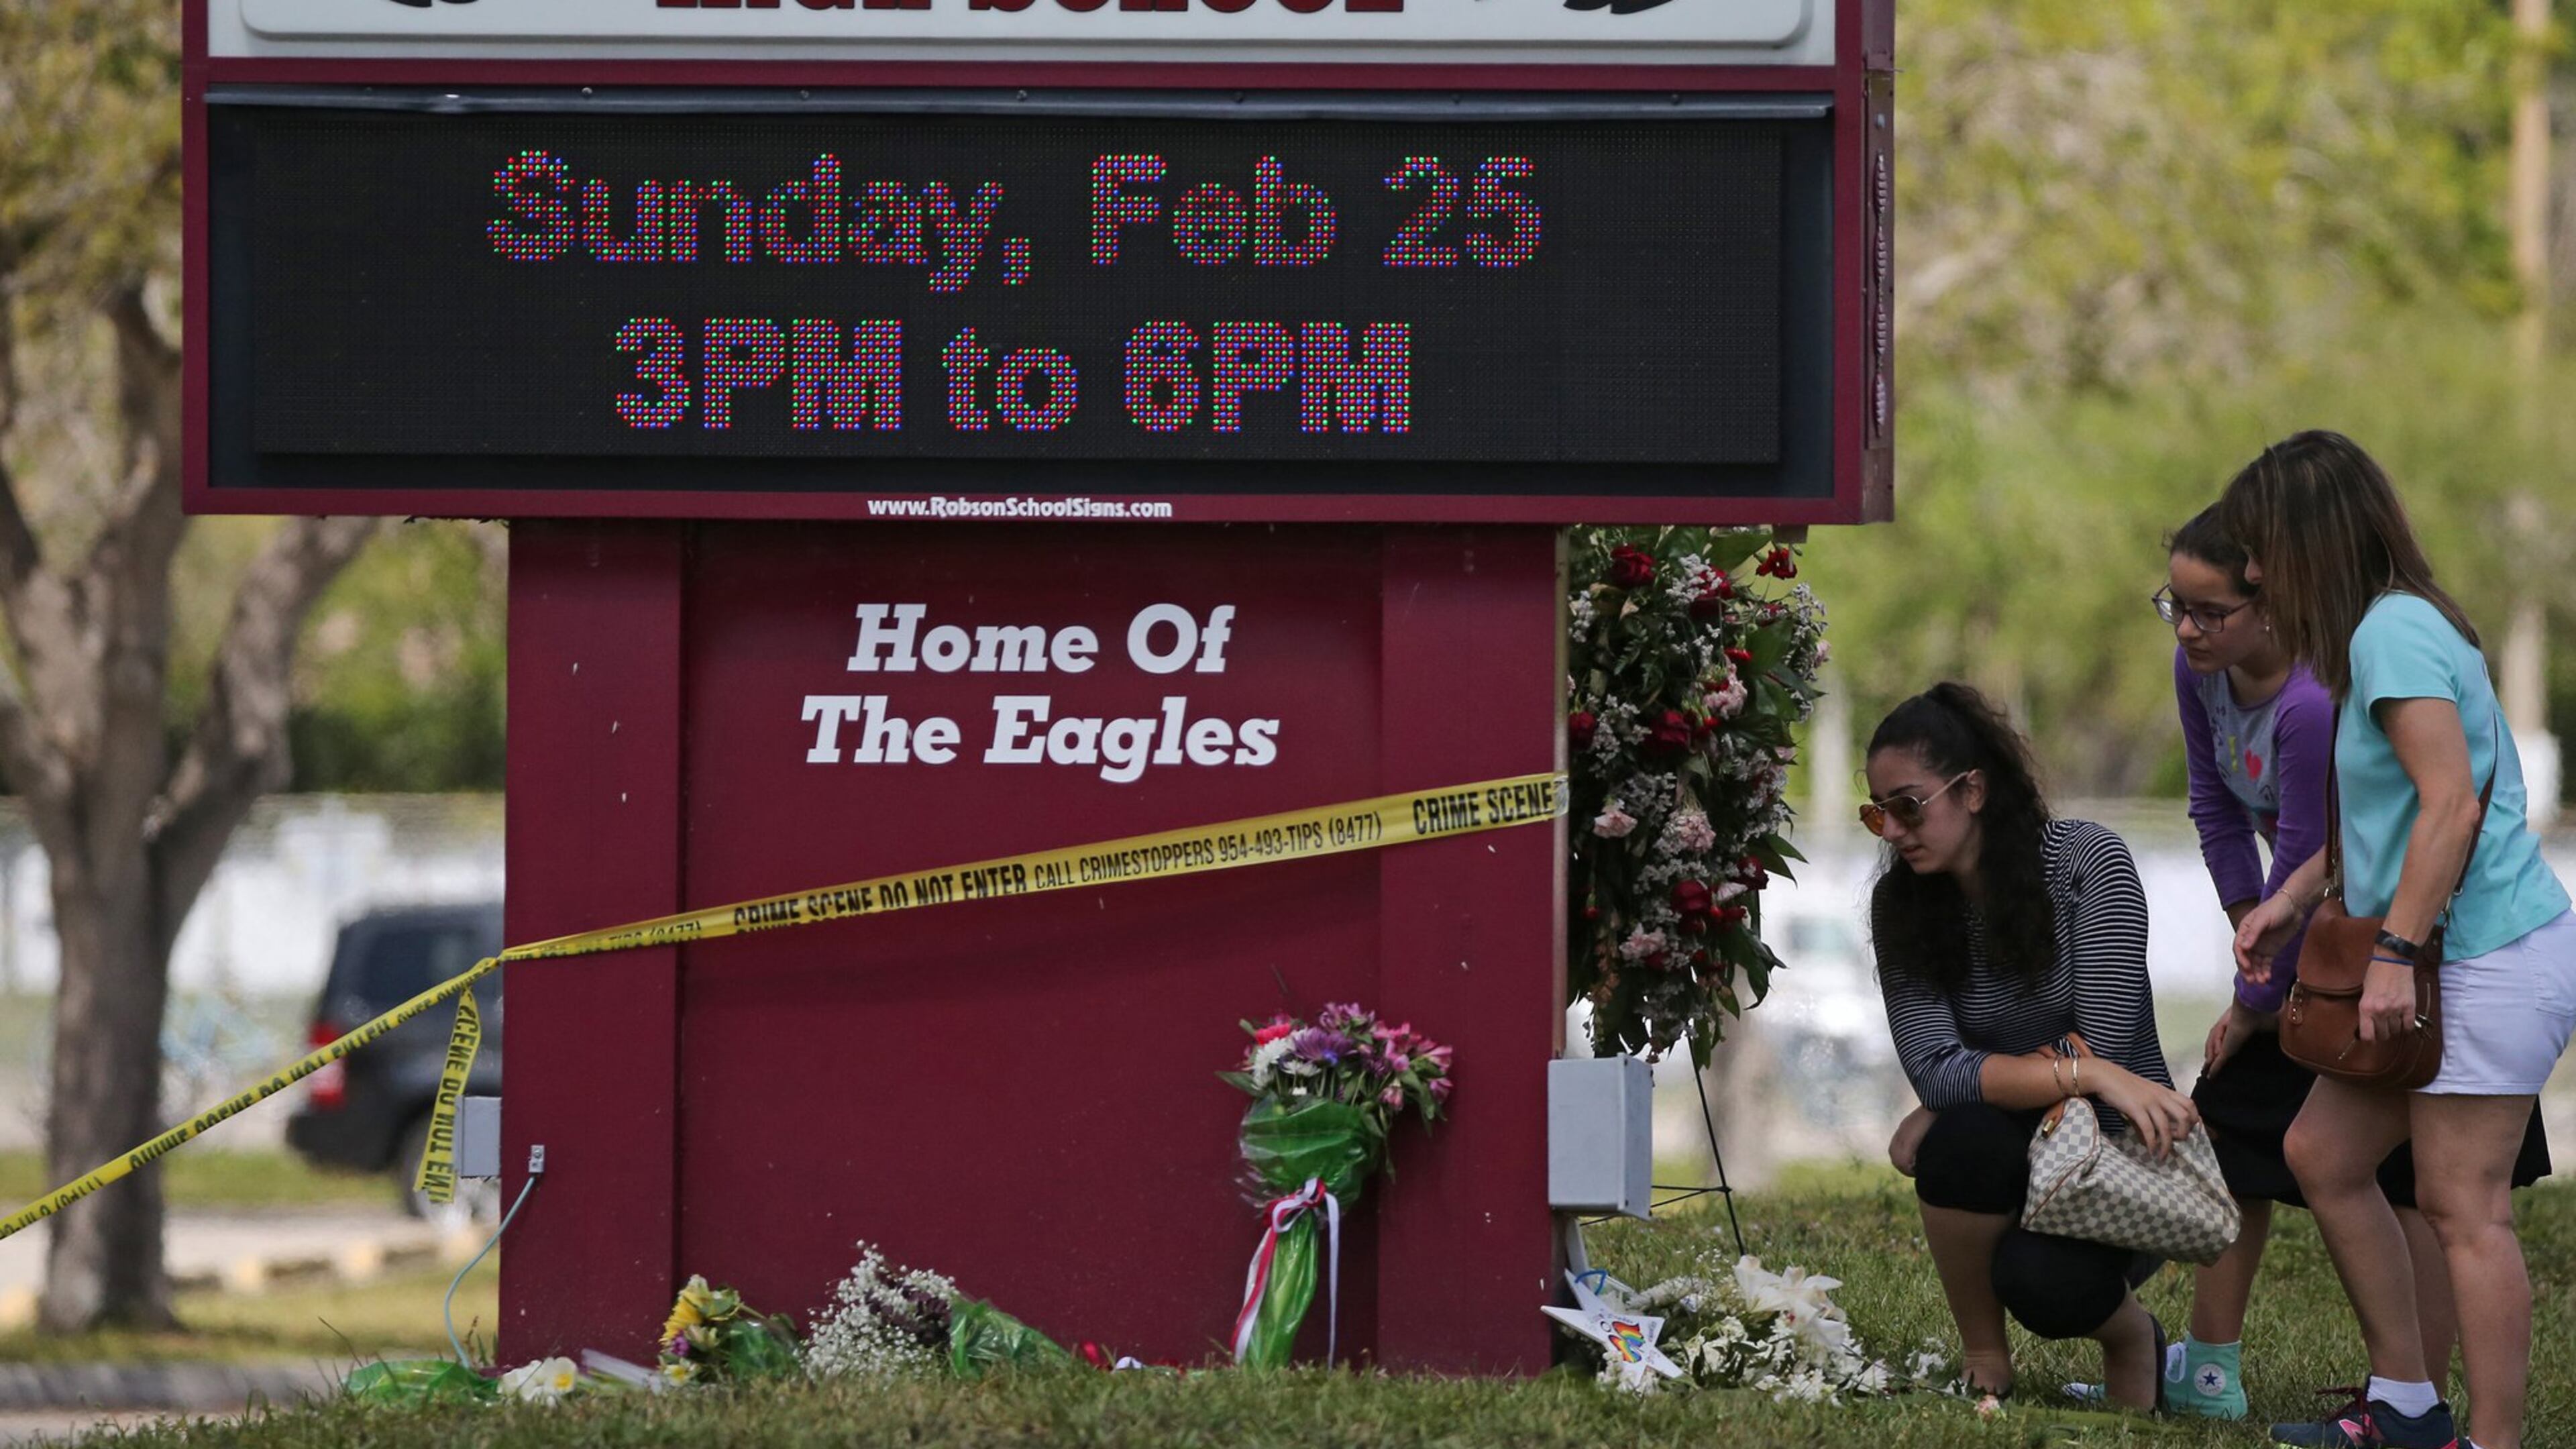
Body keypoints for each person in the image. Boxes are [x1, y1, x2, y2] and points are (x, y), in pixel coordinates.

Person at [2145, 507, 2552, 1422]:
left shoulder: (2367, 656)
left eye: (2213, 606)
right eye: (2177, 604)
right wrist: (2271, 915)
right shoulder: (2342, 646)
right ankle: (2404, 1404)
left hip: (2437, 952)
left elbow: (2432, 813)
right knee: (2318, 1150)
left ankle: (2463, 1424)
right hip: (2369, 945)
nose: (2188, 628)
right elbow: (2273, 821)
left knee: (2455, 1202)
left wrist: (2373, 960)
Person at [1870, 682, 2194, 1411]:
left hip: (2116, 1157)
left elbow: (2104, 1051)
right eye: (1876, 813)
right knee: (1960, 1143)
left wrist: (1969, 1085)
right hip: (2015, 1147)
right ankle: (1986, 1358)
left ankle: (2134, 1337)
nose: (1892, 830)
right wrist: (1962, 1095)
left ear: (1974, 790)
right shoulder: (1900, 906)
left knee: (2043, 1282)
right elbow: (1936, 1068)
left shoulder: (2087, 864)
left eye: (1908, 806)